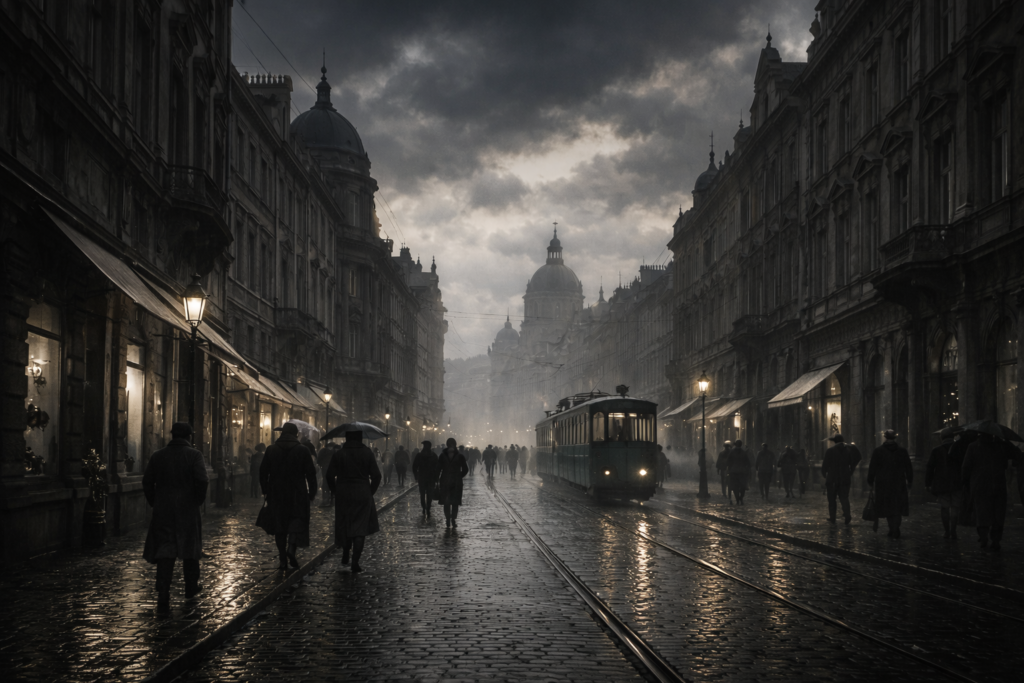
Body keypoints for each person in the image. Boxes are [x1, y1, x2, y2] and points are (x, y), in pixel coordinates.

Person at [142, 422, 209, 612]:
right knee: (190, 548)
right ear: (189, 436)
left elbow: (147, 481)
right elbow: (202, 480)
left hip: (164, 509)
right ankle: (190, 587)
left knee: (165, 550)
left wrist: (155, 501)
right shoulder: (194, 455)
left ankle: (163, 591)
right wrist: (197, 500)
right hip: (187, 508)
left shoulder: (158, 455)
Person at [260, 422, 318, 569]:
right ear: (296, 434)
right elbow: (311, 474)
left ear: (282, 433)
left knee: (279, 526)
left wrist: (266, 490)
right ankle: (291, 548)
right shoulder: (303, 450)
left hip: (276, 492)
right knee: (296, 522)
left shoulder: (271, 449)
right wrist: (312, 492)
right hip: (297, 492)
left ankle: (282, 558)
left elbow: (262, 472)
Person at [326, 431, 382, 572]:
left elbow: (329, 475)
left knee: (345, 524)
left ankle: (345, 551)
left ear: (346, 438)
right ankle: (355, 561)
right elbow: (376, 475)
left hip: (343, 492)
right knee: (360, 529)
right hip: (362, 492)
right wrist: (370, 491)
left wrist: (335, 491)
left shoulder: (339, 454)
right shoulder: (367, 453)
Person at [962, 432, 1020, 551]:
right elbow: (1007, 462)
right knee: (998, 513)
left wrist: (965, 482)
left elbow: (966, 467)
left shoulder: (973, 446)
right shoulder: (999, 446)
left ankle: (983, 537)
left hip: (980, 484)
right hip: (998, 484)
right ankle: (996, 540)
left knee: (982, 512)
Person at [867, 429, 913, 538]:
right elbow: (908, 468)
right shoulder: (902, 451)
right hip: (899, 483)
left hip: (883, 484)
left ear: (885, 437)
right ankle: (895, 528)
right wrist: (909, 481)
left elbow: (872, 468)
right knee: (897, 507)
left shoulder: (878, 451)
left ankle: (892, 528)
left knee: (888, 507)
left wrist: (870, 481)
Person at [925, 428, 960, 539]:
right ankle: (953, 530)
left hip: (942, 483)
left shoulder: (936, 450)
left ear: (942, 438)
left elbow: (930, 468)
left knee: (944, 508)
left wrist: (928, 483)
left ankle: (946, 531)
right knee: (955, 507)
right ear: (953, 437)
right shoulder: (960, 449)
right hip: (957, 483)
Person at [821, 433, 861, 524]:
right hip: (845, 477)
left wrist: (824, 474)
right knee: (844, 498)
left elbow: (825, 465)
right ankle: (847, 515)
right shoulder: (849, 450)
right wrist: (851, 469)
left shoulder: (830, 451)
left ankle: (833, 517)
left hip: (832, 479)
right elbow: (858, 457)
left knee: (832, 499)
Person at [436, 437, 469, 528]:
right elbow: (465, 469)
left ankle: (450, 519)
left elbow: (438, 469)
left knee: (451, 502)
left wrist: (437, 478)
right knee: (451, 502)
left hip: (449, 482)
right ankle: (450, 519)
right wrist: (459, 476)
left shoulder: (444, 456)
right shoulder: (458, 456)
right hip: (452, 482)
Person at [412, 441, 439, 518]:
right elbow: (438, 467)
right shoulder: (433, 455)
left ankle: (424, 507)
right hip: (430, 478)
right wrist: (437, 477)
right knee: (429, 494)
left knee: (423, 494)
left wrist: (416, 476)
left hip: (423, 477)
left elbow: (414, 467)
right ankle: (427, 508)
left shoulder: (419, 455)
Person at [727, 440, 751, 505]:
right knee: (743, 486)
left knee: (735, 486)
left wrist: (729, 469)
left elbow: (728, 461)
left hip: (734, 471)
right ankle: (741, 498)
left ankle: (737, 499)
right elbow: (748, 462)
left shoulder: (732, 452)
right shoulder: (743, 452)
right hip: (742, 472)